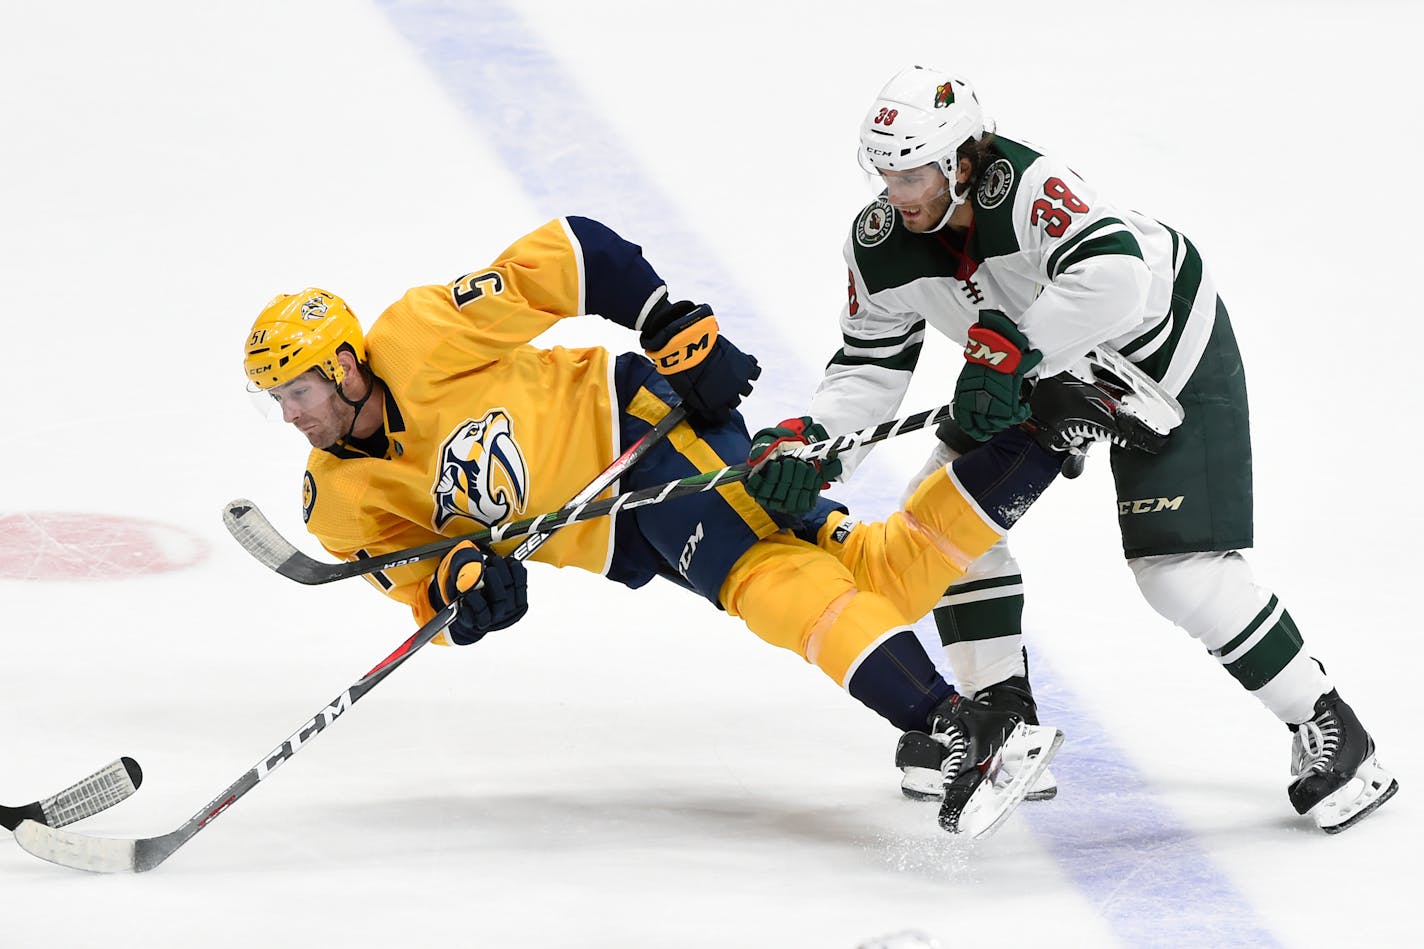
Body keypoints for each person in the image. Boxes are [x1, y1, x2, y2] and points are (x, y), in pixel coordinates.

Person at [240, 215, 1105, 834]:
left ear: (345, 365)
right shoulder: (337, 498)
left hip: (643, 430)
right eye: (278, 399)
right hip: (627, 526)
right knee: (878, 574)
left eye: (300, 391)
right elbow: (413, 582)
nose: (291, 415)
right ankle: (1052, 426)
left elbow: (571, 254)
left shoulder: (419, 336)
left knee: (769, 587)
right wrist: (461, 589)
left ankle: (963, 723)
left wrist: (666, 322)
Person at [745, 65, 1397, 833]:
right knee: (939, 534)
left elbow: (1116, 273)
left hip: (1157, 349)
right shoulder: (880, 241)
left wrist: (1020, 351)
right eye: (885, 174)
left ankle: (1332, 729)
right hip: (1029, 369)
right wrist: (819, 446)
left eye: (915, 173)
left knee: (1178, 573)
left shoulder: (1026, 187)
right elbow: (866, 367)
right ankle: (1002, 725)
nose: (898, 193)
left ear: (962, 159)